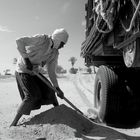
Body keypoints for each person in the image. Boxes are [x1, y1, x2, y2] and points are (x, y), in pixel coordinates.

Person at [10, 28, 69, 126]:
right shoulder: (42, 39)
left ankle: (59, 112)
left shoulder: (54, 53)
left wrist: (57, 88)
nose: (62, 46)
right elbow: (19, 41)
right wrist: (26, 59)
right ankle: (14, 123)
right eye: (62, 43)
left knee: (51, 90)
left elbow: (51, 71)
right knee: (32, 95)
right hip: (23, 70)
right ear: (58, 39)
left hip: (35, 72)